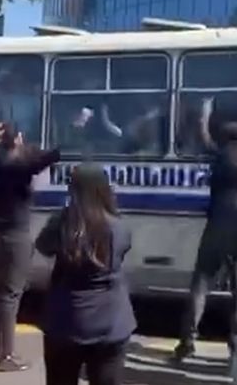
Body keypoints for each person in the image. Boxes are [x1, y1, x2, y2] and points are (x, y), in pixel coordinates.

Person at [173, 97, 237, 366]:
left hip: (217, 227)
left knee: (201, 284)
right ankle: (235, 347)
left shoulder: (220, 156)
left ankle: (187, 341)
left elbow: (203, 135)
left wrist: (205, 110)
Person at [35, 164, 136, 385]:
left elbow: (42, 246)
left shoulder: (61, 223)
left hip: (65, 321)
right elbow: (123, 250)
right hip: (112, 321)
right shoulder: (118, 226)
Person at [0, 121, 61, 372]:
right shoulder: (18, 167)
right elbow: (50, 157)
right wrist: (77, 128)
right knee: (11, 294)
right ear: (17, 140)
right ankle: (6, 356)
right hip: (15, 236)